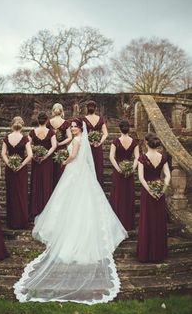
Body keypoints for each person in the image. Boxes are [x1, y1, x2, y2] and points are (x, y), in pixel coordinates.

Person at [14, 119, 128, 304]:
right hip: (79, 172)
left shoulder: (77, 141)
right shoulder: (82, 138)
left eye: (75, 127)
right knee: (68, 200)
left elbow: (74, 156)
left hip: (75, 171)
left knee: (73, 200)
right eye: (72, 127)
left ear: (79, 128)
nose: (73, 129)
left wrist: (63, 160)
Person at [137, 133, 171, 263]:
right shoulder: (162, 157)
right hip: (160, 192)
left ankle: (146, 254)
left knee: (147, 221)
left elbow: (141, 177)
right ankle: (158, 253)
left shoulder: (142, 158)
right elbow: (167, 175)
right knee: (158, 221)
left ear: (146, 143)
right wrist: (162, 189)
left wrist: (150, 191)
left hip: (148, 193)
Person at [1, 116, 32, 229]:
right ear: (22, 125)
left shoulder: (6, 138)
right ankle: (21, 222)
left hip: (10, 170)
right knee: (21, 194)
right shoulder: (24, 139)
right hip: (21, 170)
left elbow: (3, 154)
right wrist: (21, 165)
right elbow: (30, 155)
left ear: (12, 124)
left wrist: (9, 164)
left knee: (11, 194)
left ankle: (12, 221)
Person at [109, 120, 139, 230]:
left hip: (119, 173)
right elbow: (137, 157)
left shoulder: (115, 141)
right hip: (129, 173)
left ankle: (117, 222)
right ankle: (128, 223)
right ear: (129, 129)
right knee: (128, 196)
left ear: (119, 129)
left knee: (118, 196)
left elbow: (111, 157)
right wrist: (132, 168)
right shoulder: (134, 142)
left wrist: (118, 169)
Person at [29, 112, 57, 219]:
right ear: (47, 121)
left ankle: (35, 209)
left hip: (36, 161)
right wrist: (45, 155)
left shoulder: (32, 132)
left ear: (38, 120)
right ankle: (45, 209)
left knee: (36, 182)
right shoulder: (51, 132)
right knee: (46, 182)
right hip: (47, 161)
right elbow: (54, 146)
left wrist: (34, 155)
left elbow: (28, 145)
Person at [82, 100, 108, 186]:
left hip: (87, 147)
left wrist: (88, 142)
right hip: (98, 147)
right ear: (96, 108)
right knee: (97, 167)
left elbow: (82, 134)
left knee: (88, 166)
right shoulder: (100, 119)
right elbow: (106, 133)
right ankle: (98, 186)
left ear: (87, 109)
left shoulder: (84, 120)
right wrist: (100, 142)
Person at [47, 103, 72, 187]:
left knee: (51, 171)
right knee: (61, 170)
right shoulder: (66, 123)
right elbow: (70, 137)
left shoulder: (49, 123)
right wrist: (60, 143)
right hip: (62, 149)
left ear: (53, 111)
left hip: (51, 149)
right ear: (62, 112)